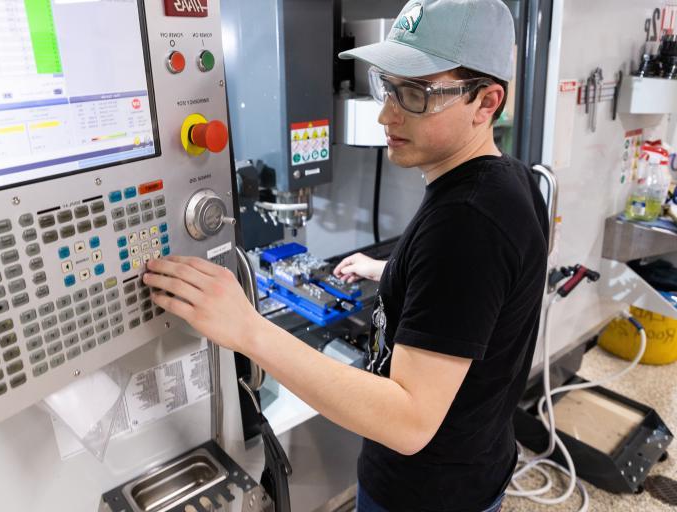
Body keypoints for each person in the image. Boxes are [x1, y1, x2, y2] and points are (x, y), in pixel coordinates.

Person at [143, 0, 549, 510]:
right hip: (476, 464)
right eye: (386, 84)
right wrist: (394, 272)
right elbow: (482, 296)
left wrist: (246, 327)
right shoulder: (509, 180)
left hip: (424, 496)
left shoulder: (466, 224)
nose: (385, 113)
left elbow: (408, 422)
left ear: (486, 102)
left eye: (414, 94)